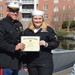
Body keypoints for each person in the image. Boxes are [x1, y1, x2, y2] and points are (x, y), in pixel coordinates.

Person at [23, 10, 59, 75]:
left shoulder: (48, 30)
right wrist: (24, 63)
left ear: (42, 19)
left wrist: (46, 44)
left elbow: (56, 43)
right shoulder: (27, 31)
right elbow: (24, 50)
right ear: (32, 19)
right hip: (31, 62)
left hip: (45, 62)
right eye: (35, 18)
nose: (38, 21)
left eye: (40, 18)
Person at [0, 0, 25, 75]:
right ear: (7, 11)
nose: (15, 13)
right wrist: (14, 47)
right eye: (12, 11)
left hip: (16, 61)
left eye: (16, 11)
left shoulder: (19, 24)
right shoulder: (2, 24)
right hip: (5, 62)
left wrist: (21, 61)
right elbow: (0, 42)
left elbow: (20, 41)